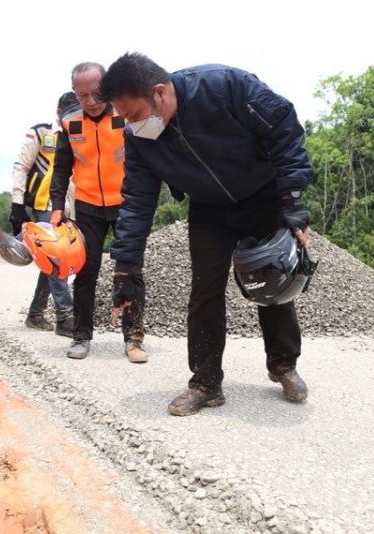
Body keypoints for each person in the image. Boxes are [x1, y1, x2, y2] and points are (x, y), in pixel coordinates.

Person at [100, 53, 313, 415]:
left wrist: (291, 202)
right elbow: (137, 203)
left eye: (134, 115)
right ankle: (205, 382)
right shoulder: (139, 141)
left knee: (273, 282)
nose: (133, 126)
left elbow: (284, 128)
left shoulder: (224, 86)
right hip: (209, 209)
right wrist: (124, 268)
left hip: (261, 195)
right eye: (125, 119)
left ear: (159, 92)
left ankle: (283, 365)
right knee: (204, 291)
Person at [49, 62, 147, 363]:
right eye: (81, 95)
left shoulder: (124, 114)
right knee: (86, 270)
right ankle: (81, 336)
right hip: (88, 205)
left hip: (126, 203)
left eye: (95, 93)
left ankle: (134, 339)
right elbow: (62, 168)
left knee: (130, 269)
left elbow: (148, 154)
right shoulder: (69, 121)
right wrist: (56, 208)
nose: (89, 101)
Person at [9, 91, 78, 337]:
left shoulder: (81, 135)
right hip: (44, 205)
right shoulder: (42, 133)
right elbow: (21, 166)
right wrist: (17, 204)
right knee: (56, 258)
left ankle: (36, 313)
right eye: (67, 114)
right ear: (58, 113)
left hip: (72, 209)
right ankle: (65, 316)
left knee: (53, 261)